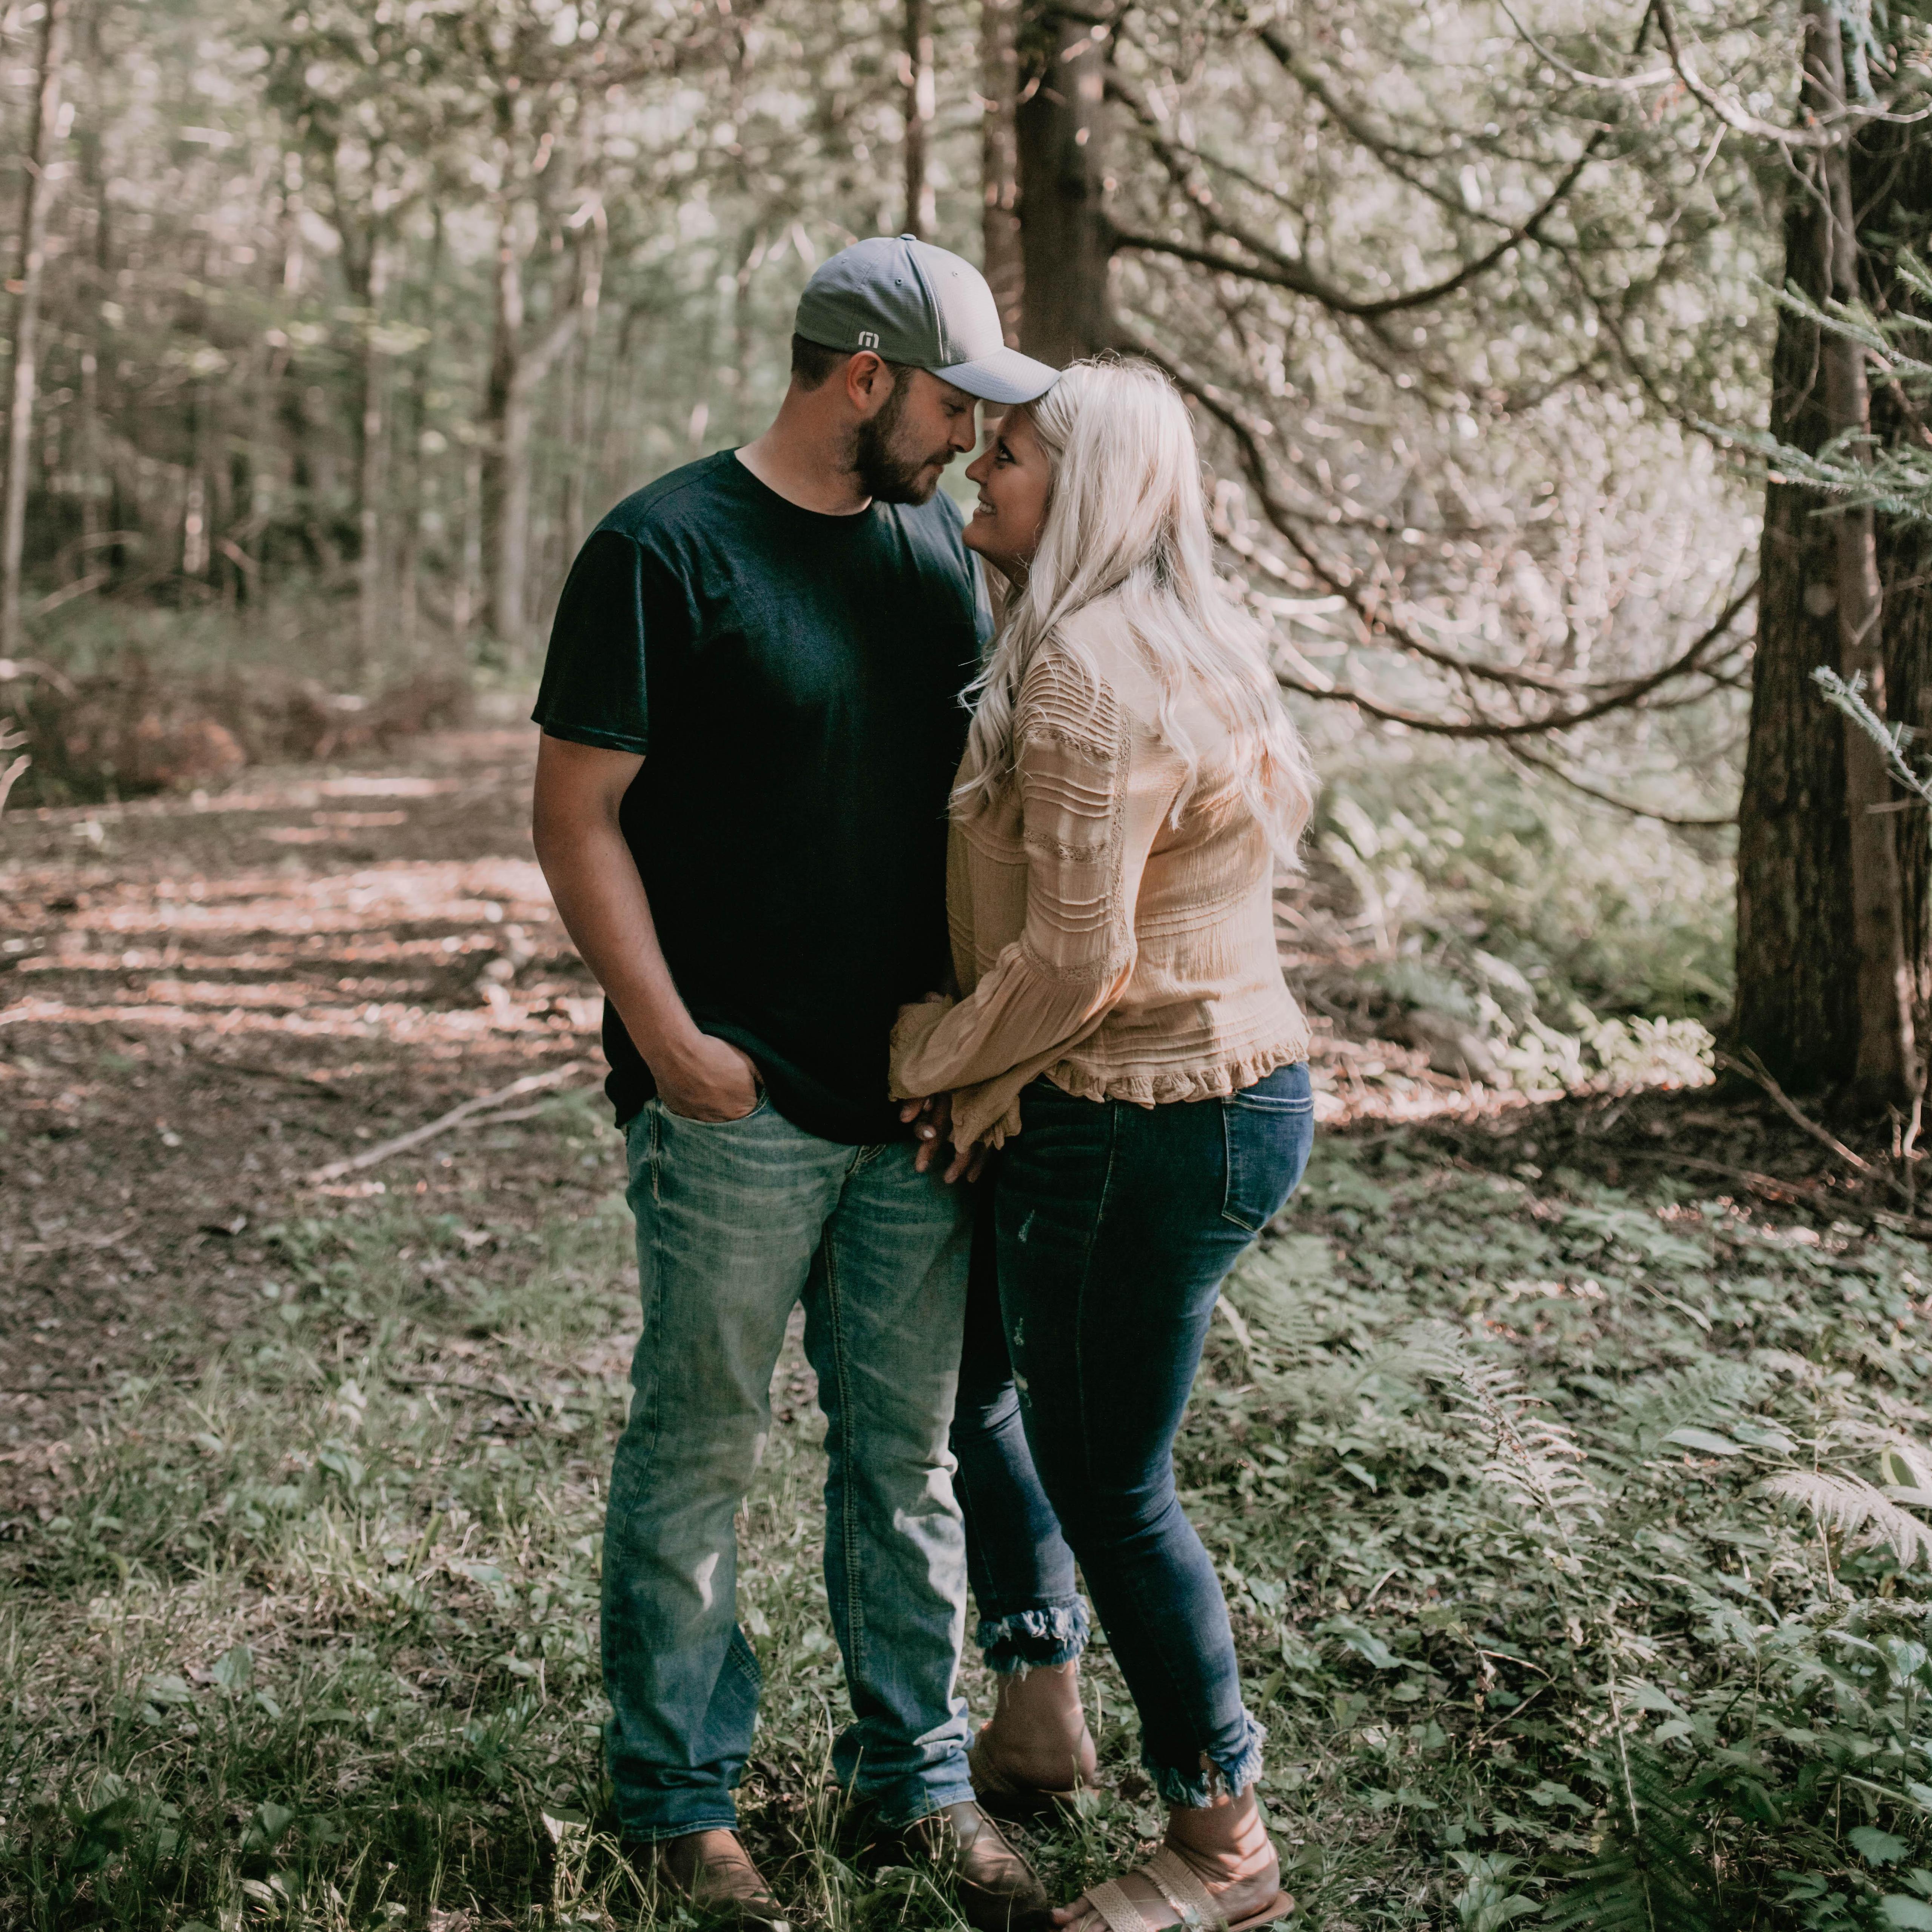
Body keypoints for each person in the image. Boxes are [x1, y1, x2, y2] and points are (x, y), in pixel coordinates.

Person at [530, 234, 1059, 1932]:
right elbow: (575, 813)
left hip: (908, 1109)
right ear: (860, 378)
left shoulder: (930, 551)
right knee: (699, 1449)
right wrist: (671, 1039)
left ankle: (910, 1778)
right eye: (944, 399)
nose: (963, 438)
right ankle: (680, 1803)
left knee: (900, 1462)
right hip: (731, 1107)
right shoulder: (660, 549)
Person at [891, 356, 1317, 1932]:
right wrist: (999, 1079)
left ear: (1085, 492)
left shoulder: (1082, 665)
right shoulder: (1160, 638)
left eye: (1004, 458)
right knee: (979, 1383)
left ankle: (1221, 1840)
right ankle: (1035, 1704)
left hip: (1155, 1116)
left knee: (1110, 1483)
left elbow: (1082, 962)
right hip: (1163, 1091)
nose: (976, 477)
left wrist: (933, 1064)